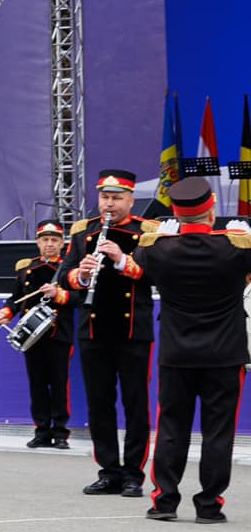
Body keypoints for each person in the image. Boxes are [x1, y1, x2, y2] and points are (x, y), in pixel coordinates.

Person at [131, 178, 251, 522]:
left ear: (177, 215)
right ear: (211, 210)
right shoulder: (237, 247)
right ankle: (209, 505)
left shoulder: (157, 249)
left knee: (171, 428)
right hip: (225, 355)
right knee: (218, 432)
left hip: (177, 354)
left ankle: (164, 500)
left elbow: (139, 257)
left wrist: (164, 235)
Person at [57, 168, 155, 499]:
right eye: (104, 197)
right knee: (100, 404)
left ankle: (133, 474)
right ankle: (108, 471)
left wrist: (120, 259)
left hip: (132, 330)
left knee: (135, 403)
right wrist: (81, 276)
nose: (109, 205)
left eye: (116, 198)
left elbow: (154, 274)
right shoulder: (84, 233)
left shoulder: (147, 232)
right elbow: (63, 277)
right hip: (93, 328)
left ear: (130, 199)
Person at [0, 221, 73, 449]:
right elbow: (15, 299)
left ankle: (60, 433)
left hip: (59, 334)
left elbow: (79, 300)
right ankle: (41, 431)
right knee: (37, 385)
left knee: (59, 385)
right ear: (38, 242)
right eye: (45, 240)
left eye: (54, 240)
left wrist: (58, 294)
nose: (49, 244)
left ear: (62, 243)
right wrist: (6, 312)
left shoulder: (69, 270)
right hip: (31, 336)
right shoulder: (26, 268)